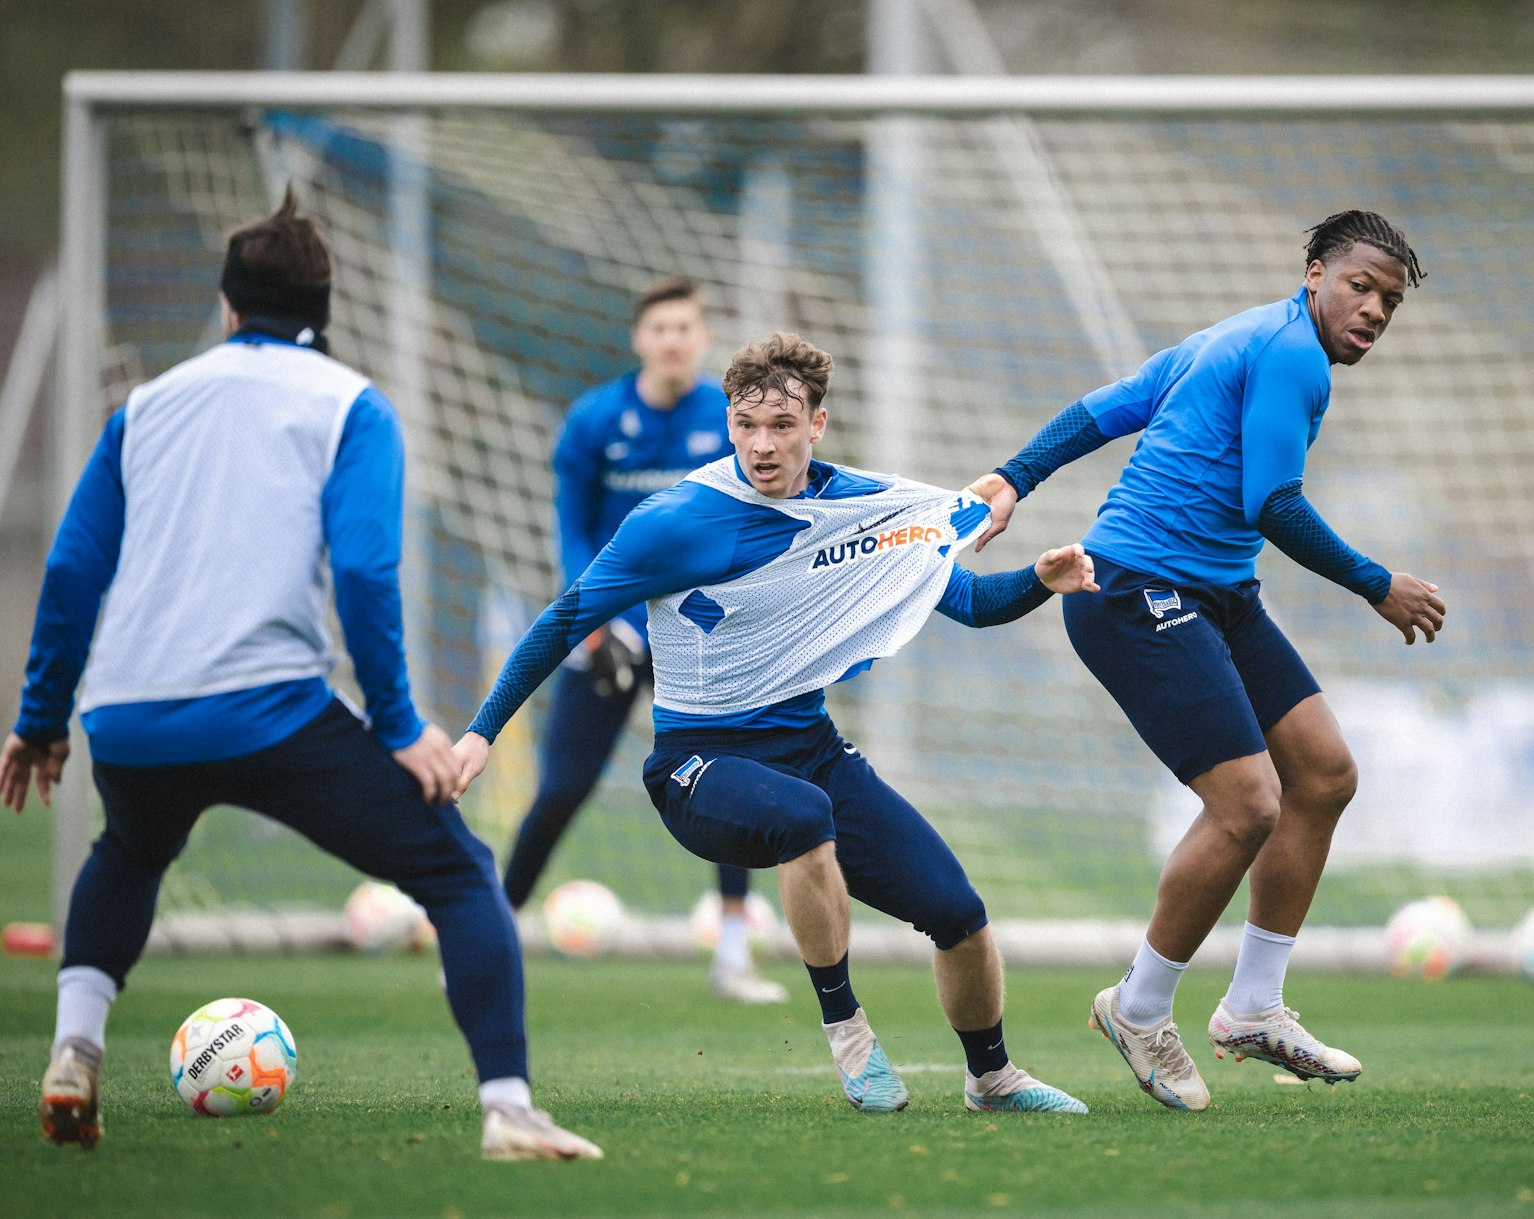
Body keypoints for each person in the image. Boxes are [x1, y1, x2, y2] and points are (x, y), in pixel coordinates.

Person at [3, 190, 599, 1160]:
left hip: (130, 714)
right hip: (270, 711)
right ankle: (508, 1107)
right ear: (325, 307)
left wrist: (40, 718)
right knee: (458, 871)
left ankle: (76, 1045)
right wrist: (399, 724)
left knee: (130, 850)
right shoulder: (351, 405)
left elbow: (73, 568)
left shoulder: (143, 408)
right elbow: (363, 568)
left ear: (228, 304)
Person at [454, 332, 1092, 1115]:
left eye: (782, 425)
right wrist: (481, 732)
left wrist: (1041, 580)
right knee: (803, 816)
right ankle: (848, 1031)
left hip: (812, 752)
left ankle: (992, 1077)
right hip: (695, 766)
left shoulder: (862, 509)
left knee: (959, 914)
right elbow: (564, 618)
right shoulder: (678, 520)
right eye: (746, 424)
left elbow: (971, 602)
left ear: (817, 424)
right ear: (728, 423)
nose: (762, 444)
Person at [968, 210, 1447, 1110]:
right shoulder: (1291, 354)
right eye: (1361, 286)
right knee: (1249, 804)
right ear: (1315, 273)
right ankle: (1138, 1007)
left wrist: (1014, 476)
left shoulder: (1238, 334)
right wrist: (1376, 582)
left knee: (1324, 774)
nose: (1375, 310)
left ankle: (1255, 1007)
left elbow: (1103, 408)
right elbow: (1273, 503)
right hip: (1136, 589)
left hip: (1217, 592)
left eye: (1389, 301)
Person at [506, 275, 786, 1005]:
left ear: (702, 338)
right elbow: (572, 529)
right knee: (563, 787)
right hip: (611, 628)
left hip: (698, 631)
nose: (672, 340)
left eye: (684, 327)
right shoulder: (594, 421)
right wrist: (594, 622)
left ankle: (733, 956)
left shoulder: (732, 420)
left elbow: (753, 521)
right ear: (639, 338)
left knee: (730, 779)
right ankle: (490, 936)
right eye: (659, 328)